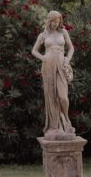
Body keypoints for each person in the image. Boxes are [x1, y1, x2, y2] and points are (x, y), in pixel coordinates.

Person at [32, 10, 75, 138]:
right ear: (49, 21)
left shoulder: (64, 32)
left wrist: (68, 59)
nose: (56, 24)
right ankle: (54, 127)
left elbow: (71, 48)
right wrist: (43, 58)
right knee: (51, 96)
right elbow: (34, 51)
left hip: (61, 65)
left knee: (63, 97)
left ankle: (67, 120)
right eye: (54, 21)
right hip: (48, 66)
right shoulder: (43, 35)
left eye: (58, 21)